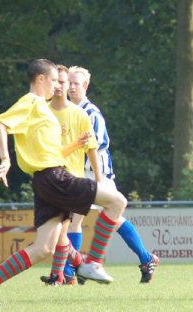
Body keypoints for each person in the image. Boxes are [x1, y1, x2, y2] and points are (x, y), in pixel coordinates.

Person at [0, 59, 128, 304]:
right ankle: (92, 263)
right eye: (53, 80)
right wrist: (5, 159)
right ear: (41, 79)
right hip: (54, 177)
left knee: (44, 249)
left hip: (45, 180)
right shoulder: (31, 102)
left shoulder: (41, 107)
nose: (57, 86)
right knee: (117, 202)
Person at [67, 65, 159, 284]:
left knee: (108, 218)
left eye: (75, 84)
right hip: (80, 174)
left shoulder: (92, 113)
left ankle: (73, 271)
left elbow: (92, 147)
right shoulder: (69, 112)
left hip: (97, 174)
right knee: (76, 219)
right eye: (68, 83)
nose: (70, 87)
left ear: (86, 86)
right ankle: (72, 272)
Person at [38, 64, 102, 285]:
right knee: (59, 231)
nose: (60, 86)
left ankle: (66, 274)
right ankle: (74, 270)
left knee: (64, 228)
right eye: (56, 81)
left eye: (64, 82)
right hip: (47, 177)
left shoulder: (83, 113)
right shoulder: (42, 110)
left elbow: (93, 147)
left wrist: (99, 179)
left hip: (71, 178)